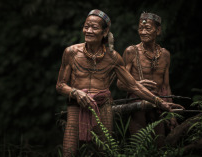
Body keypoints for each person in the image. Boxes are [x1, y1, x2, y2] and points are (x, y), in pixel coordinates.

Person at [56, 9, 182, 156]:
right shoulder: (71, 52)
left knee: (104, 152)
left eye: (94, 27)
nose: (88, 31)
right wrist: (75, 92)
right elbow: (60, 85)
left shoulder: (113, 58)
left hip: (103, 106)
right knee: (69, 152)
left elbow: (133, 85)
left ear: (105, 32)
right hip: (76, 105)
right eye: (86, 26)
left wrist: (160, 102)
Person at [117, 12, 178, 147]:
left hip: (159, 105)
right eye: (140, 28)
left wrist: (171, 114)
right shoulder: (131, 51)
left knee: (160, 145)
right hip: (136, 105)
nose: (143, 32)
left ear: (158, 30)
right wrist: (136, 84)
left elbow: (166, 87)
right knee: (139, 147)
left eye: (148, 29)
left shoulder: (165, 55)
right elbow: (120, 83)